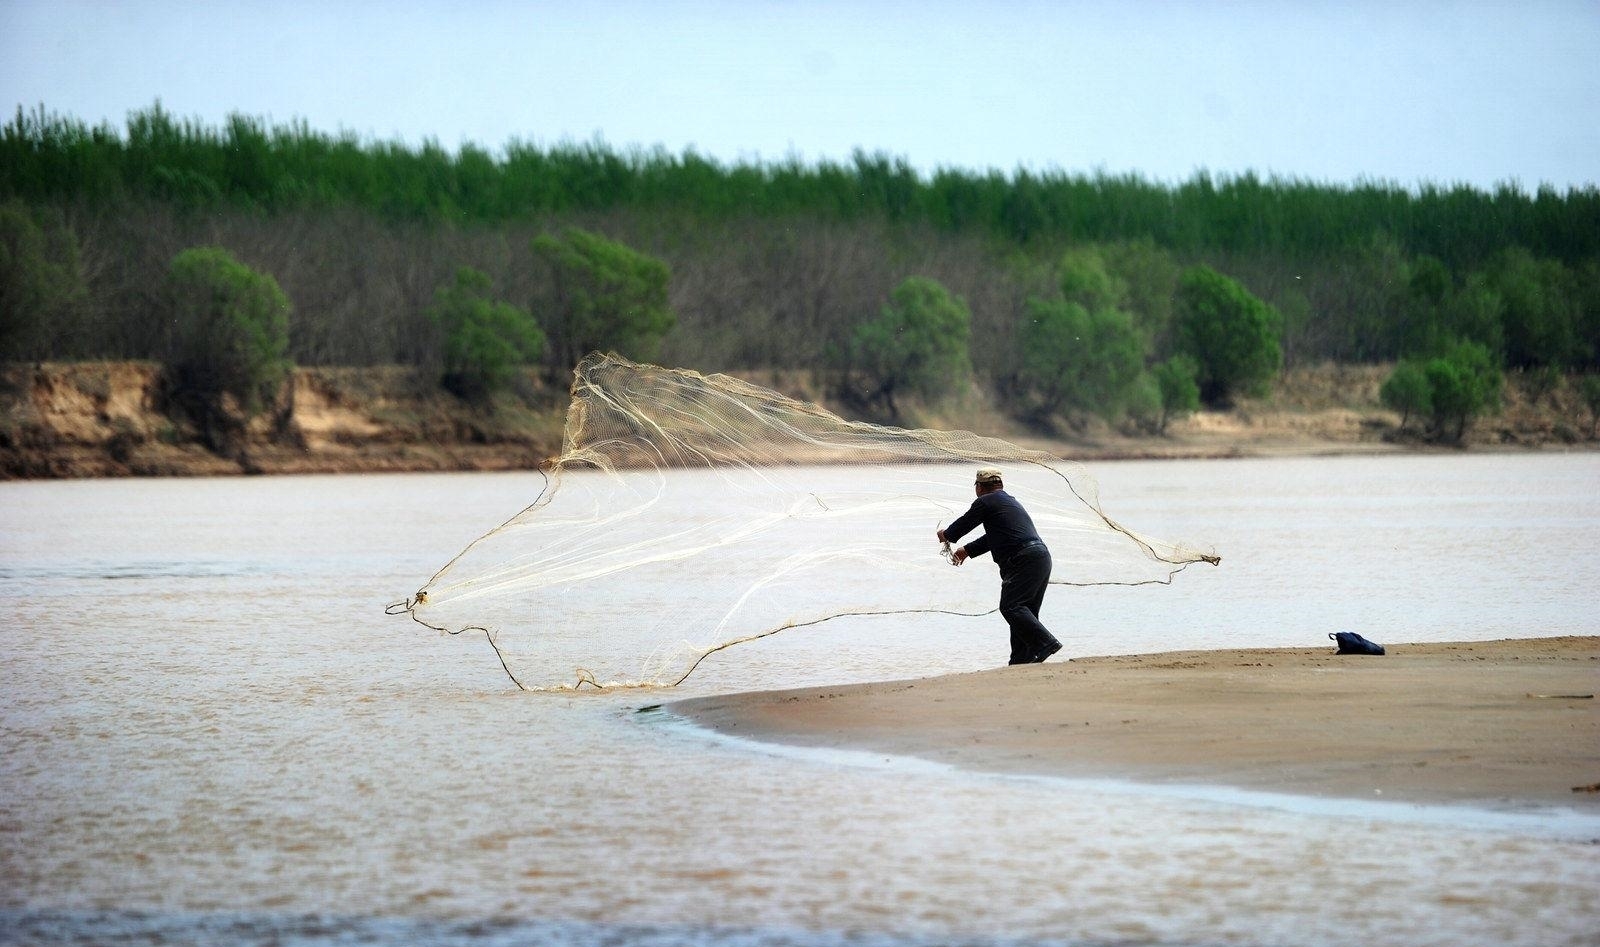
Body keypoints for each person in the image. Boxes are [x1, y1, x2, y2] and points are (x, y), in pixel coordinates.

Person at [936, 467, 1062, 665]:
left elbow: (959, 528)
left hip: (1023, 558)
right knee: (1024, 611)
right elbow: (996, 536)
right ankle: (1022, 660)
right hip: (1040, 557)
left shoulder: (985, 501)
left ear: (979, 487)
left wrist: (946, 534)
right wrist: (967, 551)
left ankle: (1046, 643)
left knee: (1011, 607)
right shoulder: (1008, 501)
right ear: (999, 484)